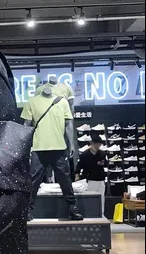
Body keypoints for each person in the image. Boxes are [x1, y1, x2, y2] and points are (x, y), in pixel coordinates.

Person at [22, 87, 84, 222]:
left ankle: (72, 208)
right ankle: (27, 210)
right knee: (33, 180)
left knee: (65, 179)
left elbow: (68, 124)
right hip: (38, 147)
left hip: (59, 147)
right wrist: (25, 145)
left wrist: (72, 144)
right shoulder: (32, 102)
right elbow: (26, 125)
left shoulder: (62, 102)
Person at [75, 135, 108, 216]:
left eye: (99, 144)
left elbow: (106, 163)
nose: (98, 146)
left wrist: (103, 163)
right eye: (97, 144)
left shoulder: (102, 154)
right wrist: (77, 175)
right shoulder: (84, 155)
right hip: (89, 179)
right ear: (92, 143)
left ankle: (101, 214)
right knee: (90, 198)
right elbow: (79, 166)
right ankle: (89, 214)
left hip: (100, 179)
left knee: (101, 197)